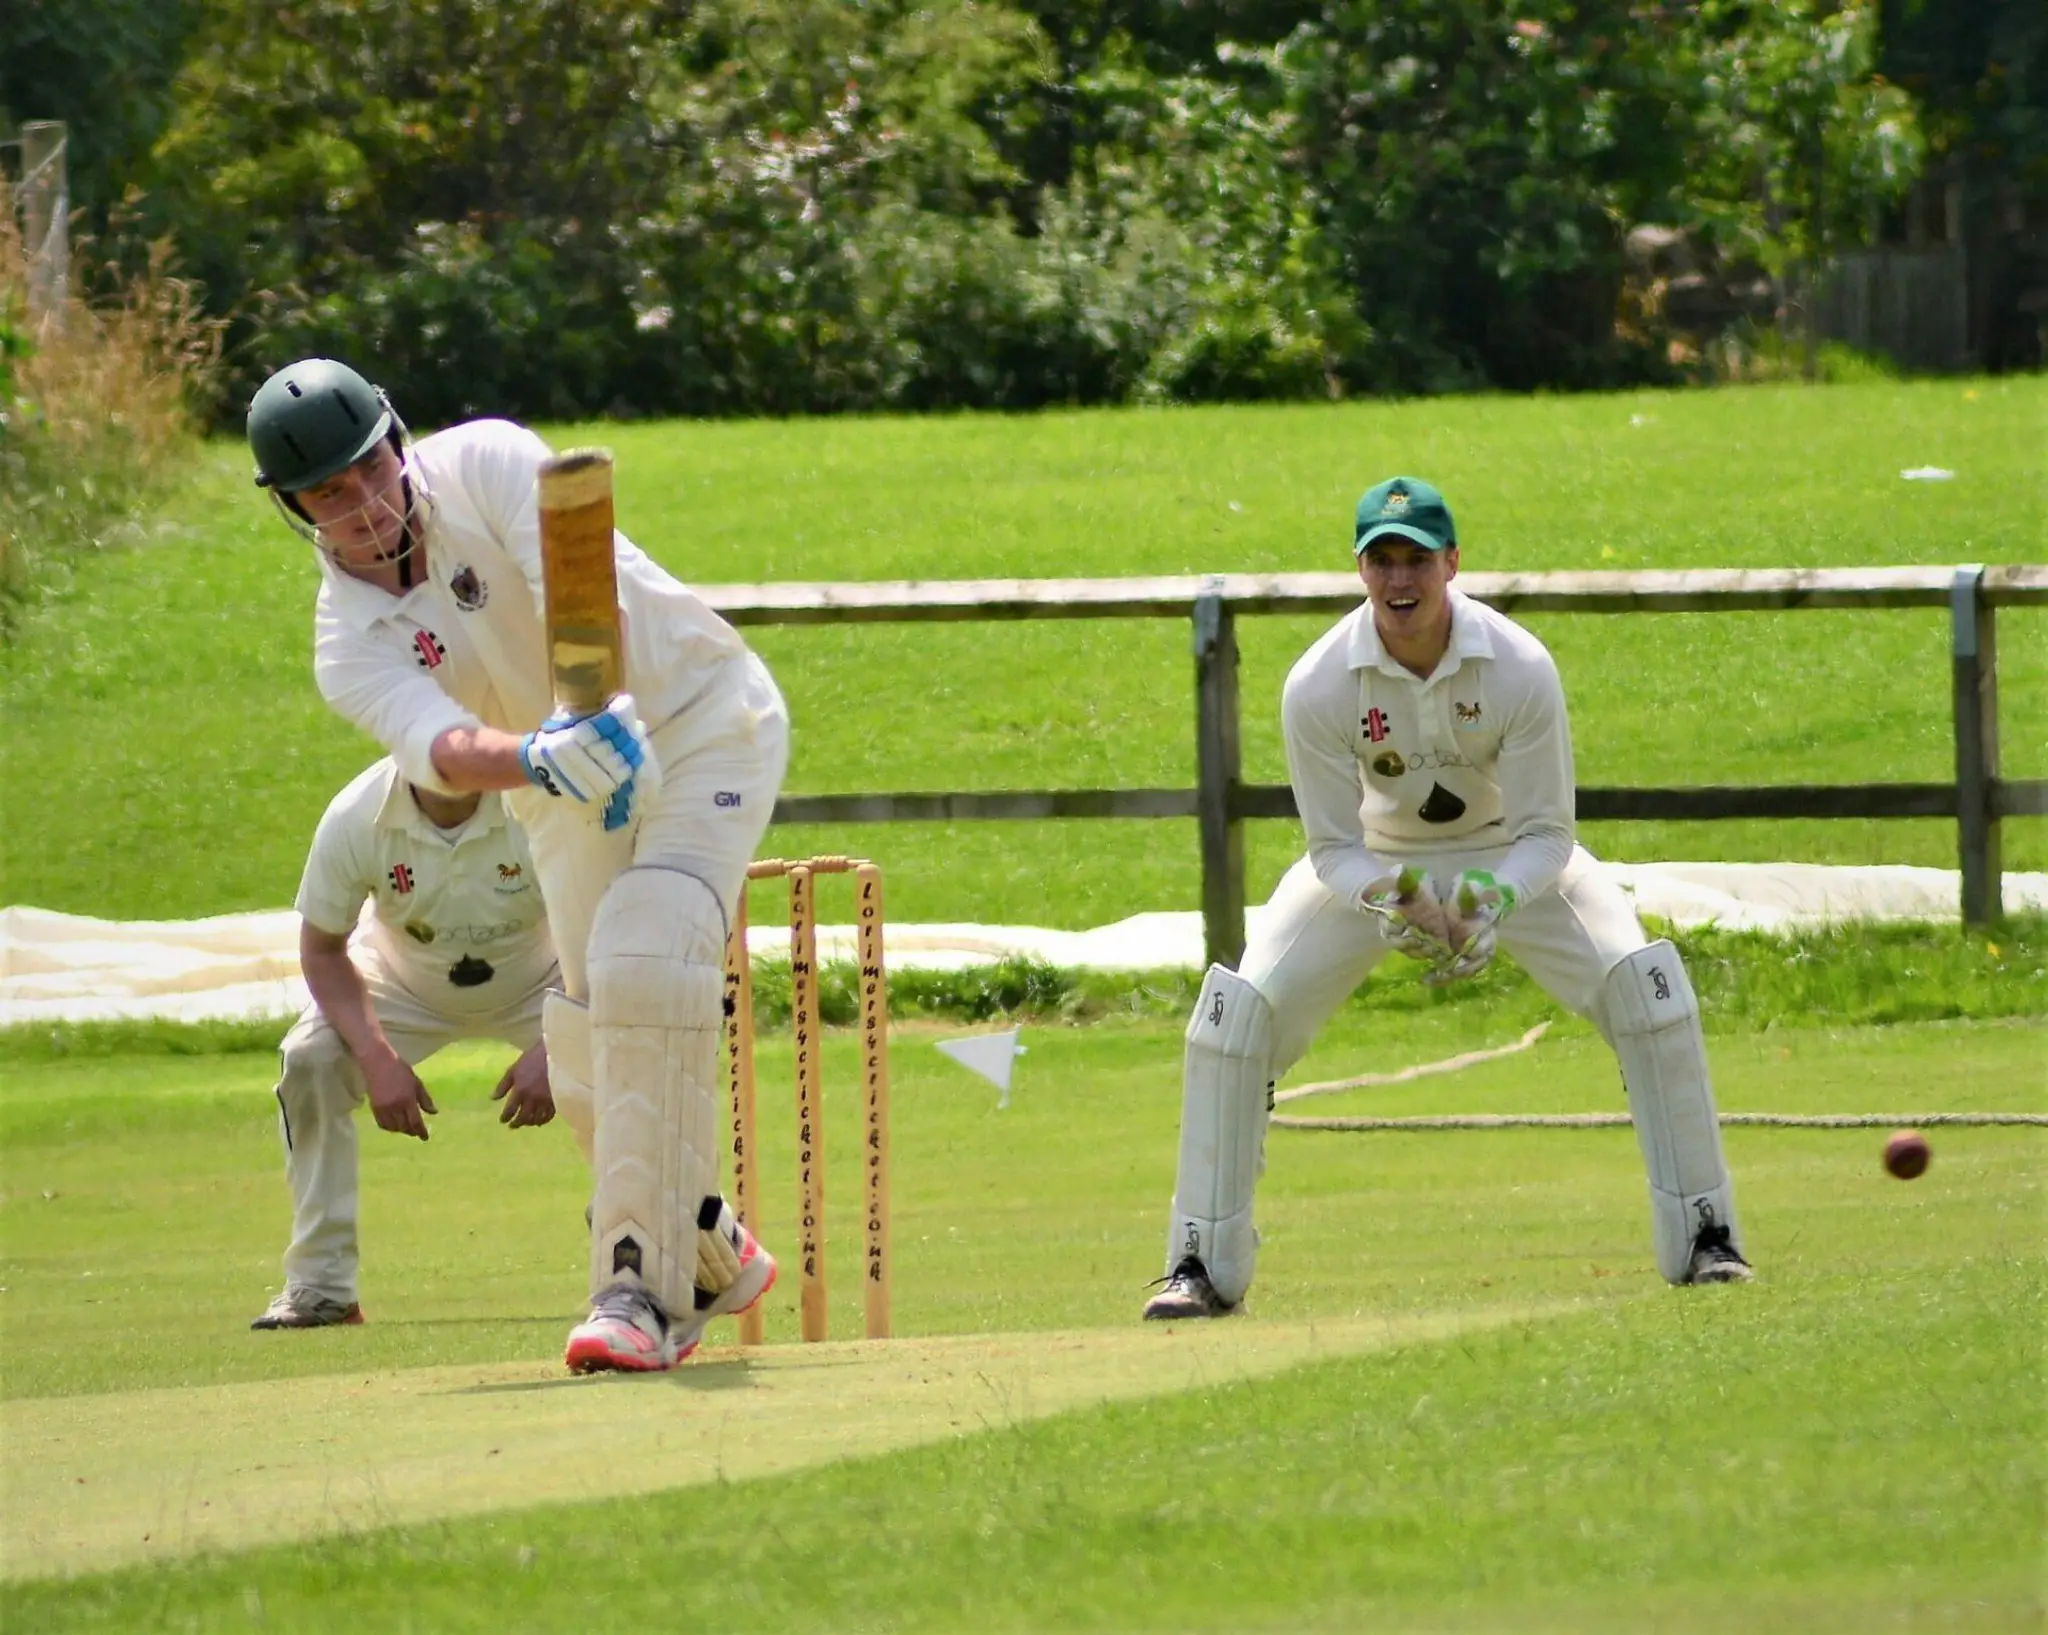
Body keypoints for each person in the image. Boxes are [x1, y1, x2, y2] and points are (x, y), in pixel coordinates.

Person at [246, 358, 788, 1372]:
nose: (365, 502)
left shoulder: (491, 461)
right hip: (552, 781)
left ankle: (638, 1290)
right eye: (330, 492)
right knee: (586, 1042)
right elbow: (443, 748)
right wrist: (543, 755)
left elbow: (589, 606)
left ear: (397, 441)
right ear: (293, 509)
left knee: (643, 958)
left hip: (703, 719)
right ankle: (709, 1246)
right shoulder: (345, 645)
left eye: (371, 467)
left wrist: (599, 714)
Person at [1144, 476, 1752, 1320]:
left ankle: (1706, 1238)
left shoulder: (1518, 665)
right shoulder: (1319, 683)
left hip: (1512, 861)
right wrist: (1403, 897)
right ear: (1359, 568)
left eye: (1418, 560)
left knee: (1647, 988)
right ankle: (1199, 1265)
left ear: (1452, 563)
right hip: (1379, 864)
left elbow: (1550, 834)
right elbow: (1331, 849)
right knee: (1234, 1018)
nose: (1401, 580)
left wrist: (1485, 897)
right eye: (1382, 560)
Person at [252, 758, 563, 1329]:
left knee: (636, 1051)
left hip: (548, 981)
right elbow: (322, 949)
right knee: (311, 1060)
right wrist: (374, 1057)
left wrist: (561, 1045)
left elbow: (609, 931)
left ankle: (650, 1267)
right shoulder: (357, 814)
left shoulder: (542, 801)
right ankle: (321, 1288)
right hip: (399, 984)